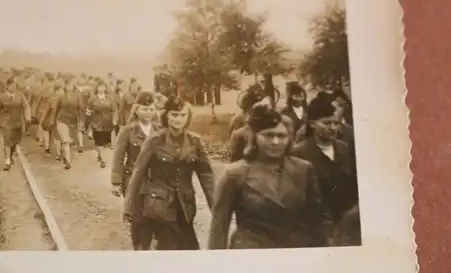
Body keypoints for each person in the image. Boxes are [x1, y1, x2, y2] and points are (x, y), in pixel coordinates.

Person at [208, 104, 328, 249]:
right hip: (250, 253)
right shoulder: (235, 173)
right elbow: (219, 228)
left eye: (281, 136)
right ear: (255, 136)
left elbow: (317, 221)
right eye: (268, 135)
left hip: (295, 252)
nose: (275, 142)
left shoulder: (304, 169)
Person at [123, 98, 214, 250]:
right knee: (168, 247)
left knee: (190, 249)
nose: (178, 119)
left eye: (183, 115)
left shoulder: (195, 142)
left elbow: (207, 177)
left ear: (188, 117)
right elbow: (138, 173)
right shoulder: (155, 139)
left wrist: (216, 209)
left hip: (185, 206)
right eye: (174, 115)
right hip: (158, 206)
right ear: (166, 116)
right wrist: (129, 206)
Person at [291, 96, 359, 246]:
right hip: (316, 228)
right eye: (327, 123)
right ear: (312, 124)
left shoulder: (344, 148)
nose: (333, 128)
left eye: (336, 123)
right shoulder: (299, 153)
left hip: (346, 224)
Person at [111, 91, 159, 250]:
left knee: (155, 215)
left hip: (156, 180)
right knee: (138, 217)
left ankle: (150, 245)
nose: (148, 113)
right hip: (133, 181)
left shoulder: (160, 130)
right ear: (137, 110)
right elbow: (118, 157)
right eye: (144, 109)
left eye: (151, 109)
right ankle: (139, 248)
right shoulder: (127, 130)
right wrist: (116, 182)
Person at [0, 77, 31, 171]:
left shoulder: (20, 95)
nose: (14, 87)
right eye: (12, 85)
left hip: (17, 122)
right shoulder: (1, 96)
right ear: (8, 86)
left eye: (15, 86)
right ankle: (7, 161)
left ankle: (10, 155)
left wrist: (27, 116)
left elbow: (26, 106)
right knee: (7, 141)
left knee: (14, 142)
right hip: (6, 122)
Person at [86, 81, 117, 168]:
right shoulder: (92, 99)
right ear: (96, 88)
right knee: (99, 142)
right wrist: (88, 125)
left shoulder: (110, 98)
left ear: (105, 88)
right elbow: (88, 112)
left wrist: (114, 120)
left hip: (107, 123)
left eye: (103, 87)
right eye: (99, 87)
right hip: (96, 123)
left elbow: (114, 109)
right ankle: (103, 160)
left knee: (106, 143)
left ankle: (100, 155)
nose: (101, 89)